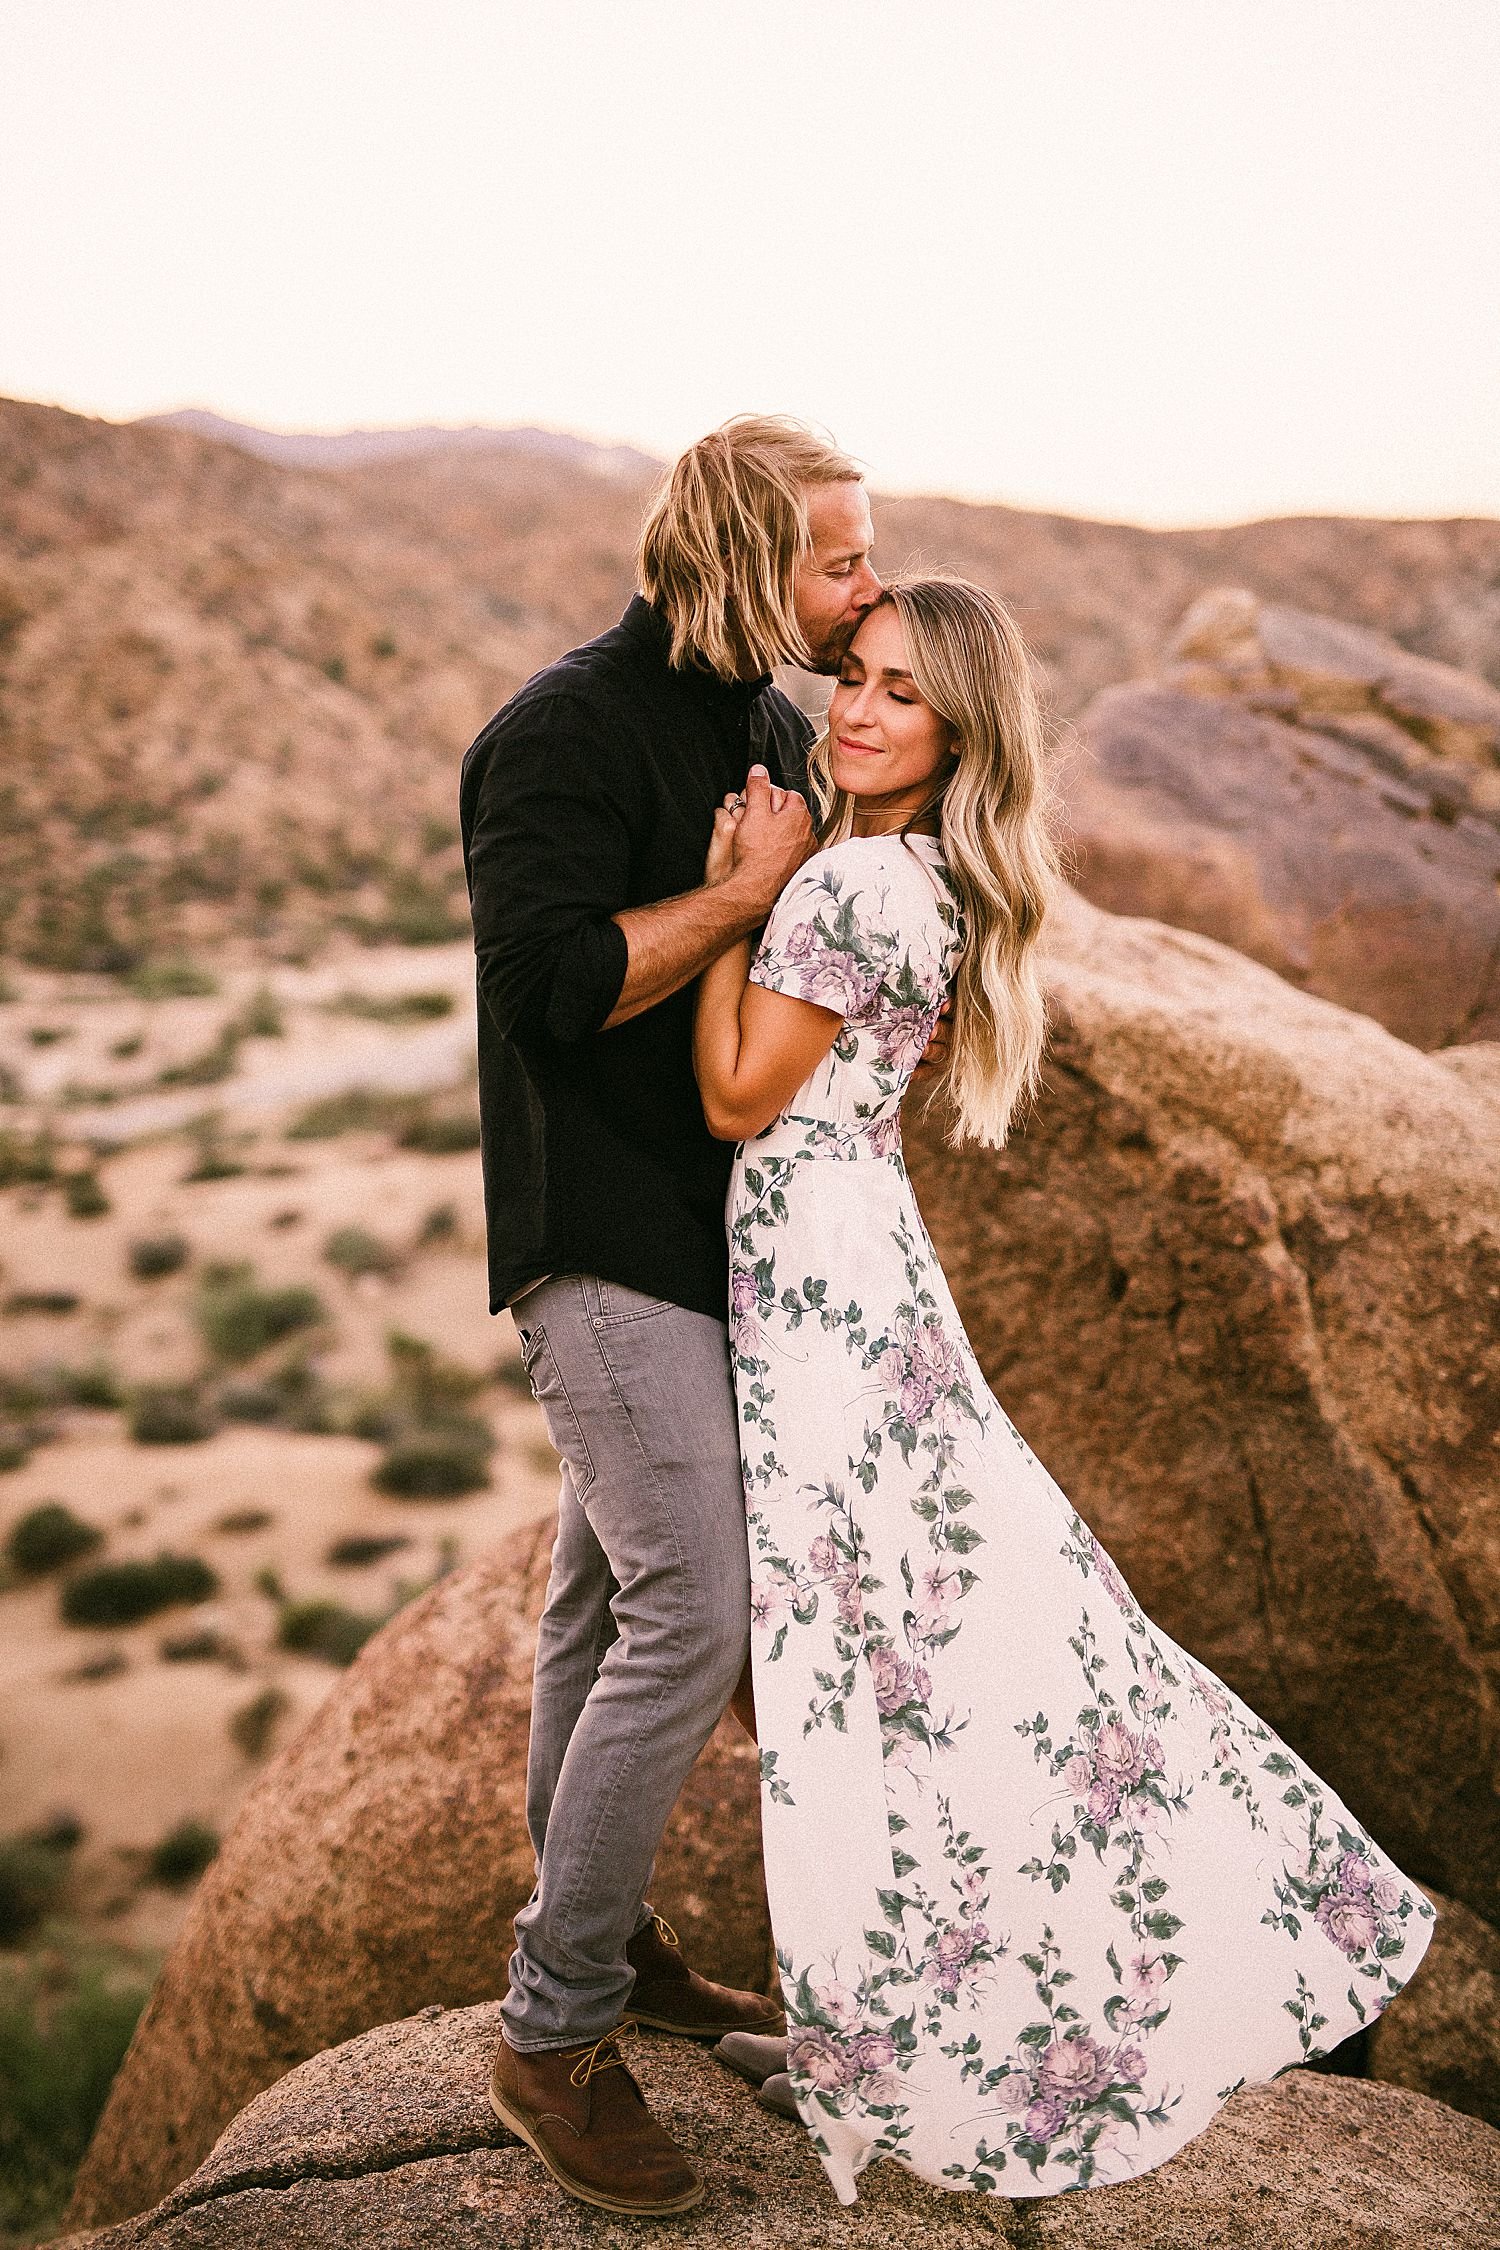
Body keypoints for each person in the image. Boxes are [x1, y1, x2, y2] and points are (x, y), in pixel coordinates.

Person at [691, 576, 1435, 2205]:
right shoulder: (931, 881)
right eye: (855, 680)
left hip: (817, 1275)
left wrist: (726, 910)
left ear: (959, 727)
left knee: (858, 1639)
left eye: (900, 692)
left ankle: (909, 2020)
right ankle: (913, 2009)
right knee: (944, 1618)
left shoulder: (841, 891)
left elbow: (742, 1092)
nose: (860, 709)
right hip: (860, 1257)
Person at [459, 415, 899, 2217]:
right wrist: (736, 889)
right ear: (737, 557)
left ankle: (612, 1943)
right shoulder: (554, 734)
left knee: (595, 1605)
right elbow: (553, 992)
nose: (861, 586)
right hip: (600, 1240)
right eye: (838, 560)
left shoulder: (762, 725)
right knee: (694, 1612)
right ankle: (550, 2032)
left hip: (718, 1252)